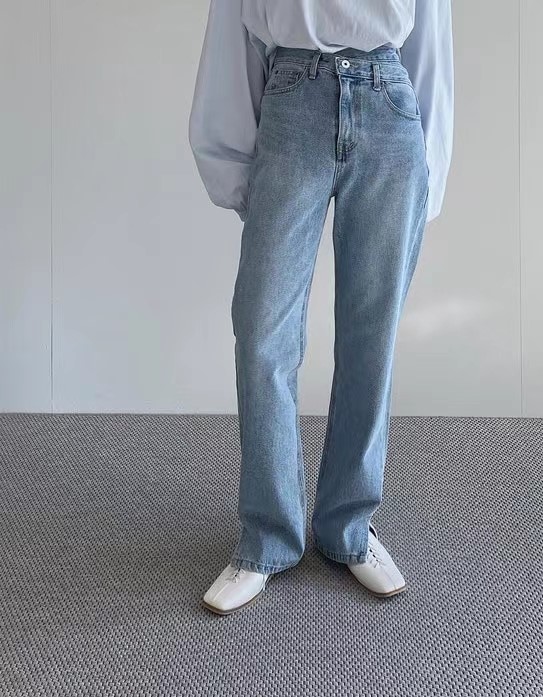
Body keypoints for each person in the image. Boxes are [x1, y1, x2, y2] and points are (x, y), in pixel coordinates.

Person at [189, 0, 454, 615]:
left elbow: (431, 39)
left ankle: (349, 526)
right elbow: (232, 35)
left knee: (371, 333)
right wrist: (230, 167)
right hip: (291, 100)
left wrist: (429, 173)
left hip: (389, 105)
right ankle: (266, 538)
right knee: (262, 333)